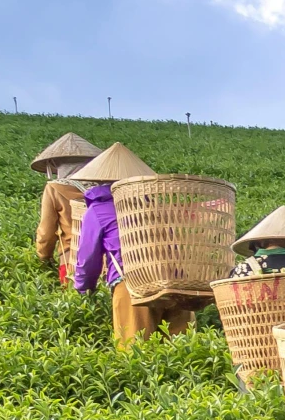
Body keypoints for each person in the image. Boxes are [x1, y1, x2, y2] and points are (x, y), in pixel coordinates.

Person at [70, 143, 201, 347]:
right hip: (175, 285)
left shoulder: (98, 210)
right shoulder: (156, 206)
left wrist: (84, 287)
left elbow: (88, 258)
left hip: (132, 286)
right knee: (181, 357)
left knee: (135, 355)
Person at [30, 132, 101, 286]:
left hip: (71, 261)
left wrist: (44, 258)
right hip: (105, 261)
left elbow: (46, 232)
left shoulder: (54, 188)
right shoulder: (103, 188)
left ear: (57, 165)